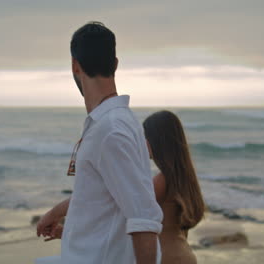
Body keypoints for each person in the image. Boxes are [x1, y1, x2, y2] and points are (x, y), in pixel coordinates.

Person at [36, 22, 163, 264]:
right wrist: (57, 215)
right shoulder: (117, 123)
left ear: (75, 66)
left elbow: (144, 217)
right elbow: (100, 196)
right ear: (115, 64)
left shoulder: (110, 131)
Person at [143, 110, 205, 264]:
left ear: (155, 141)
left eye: (144, 136)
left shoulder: (161, 182)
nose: (142, 142)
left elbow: (127, 213)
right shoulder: (183, 179)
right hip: (184, 255)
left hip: (166, 258)